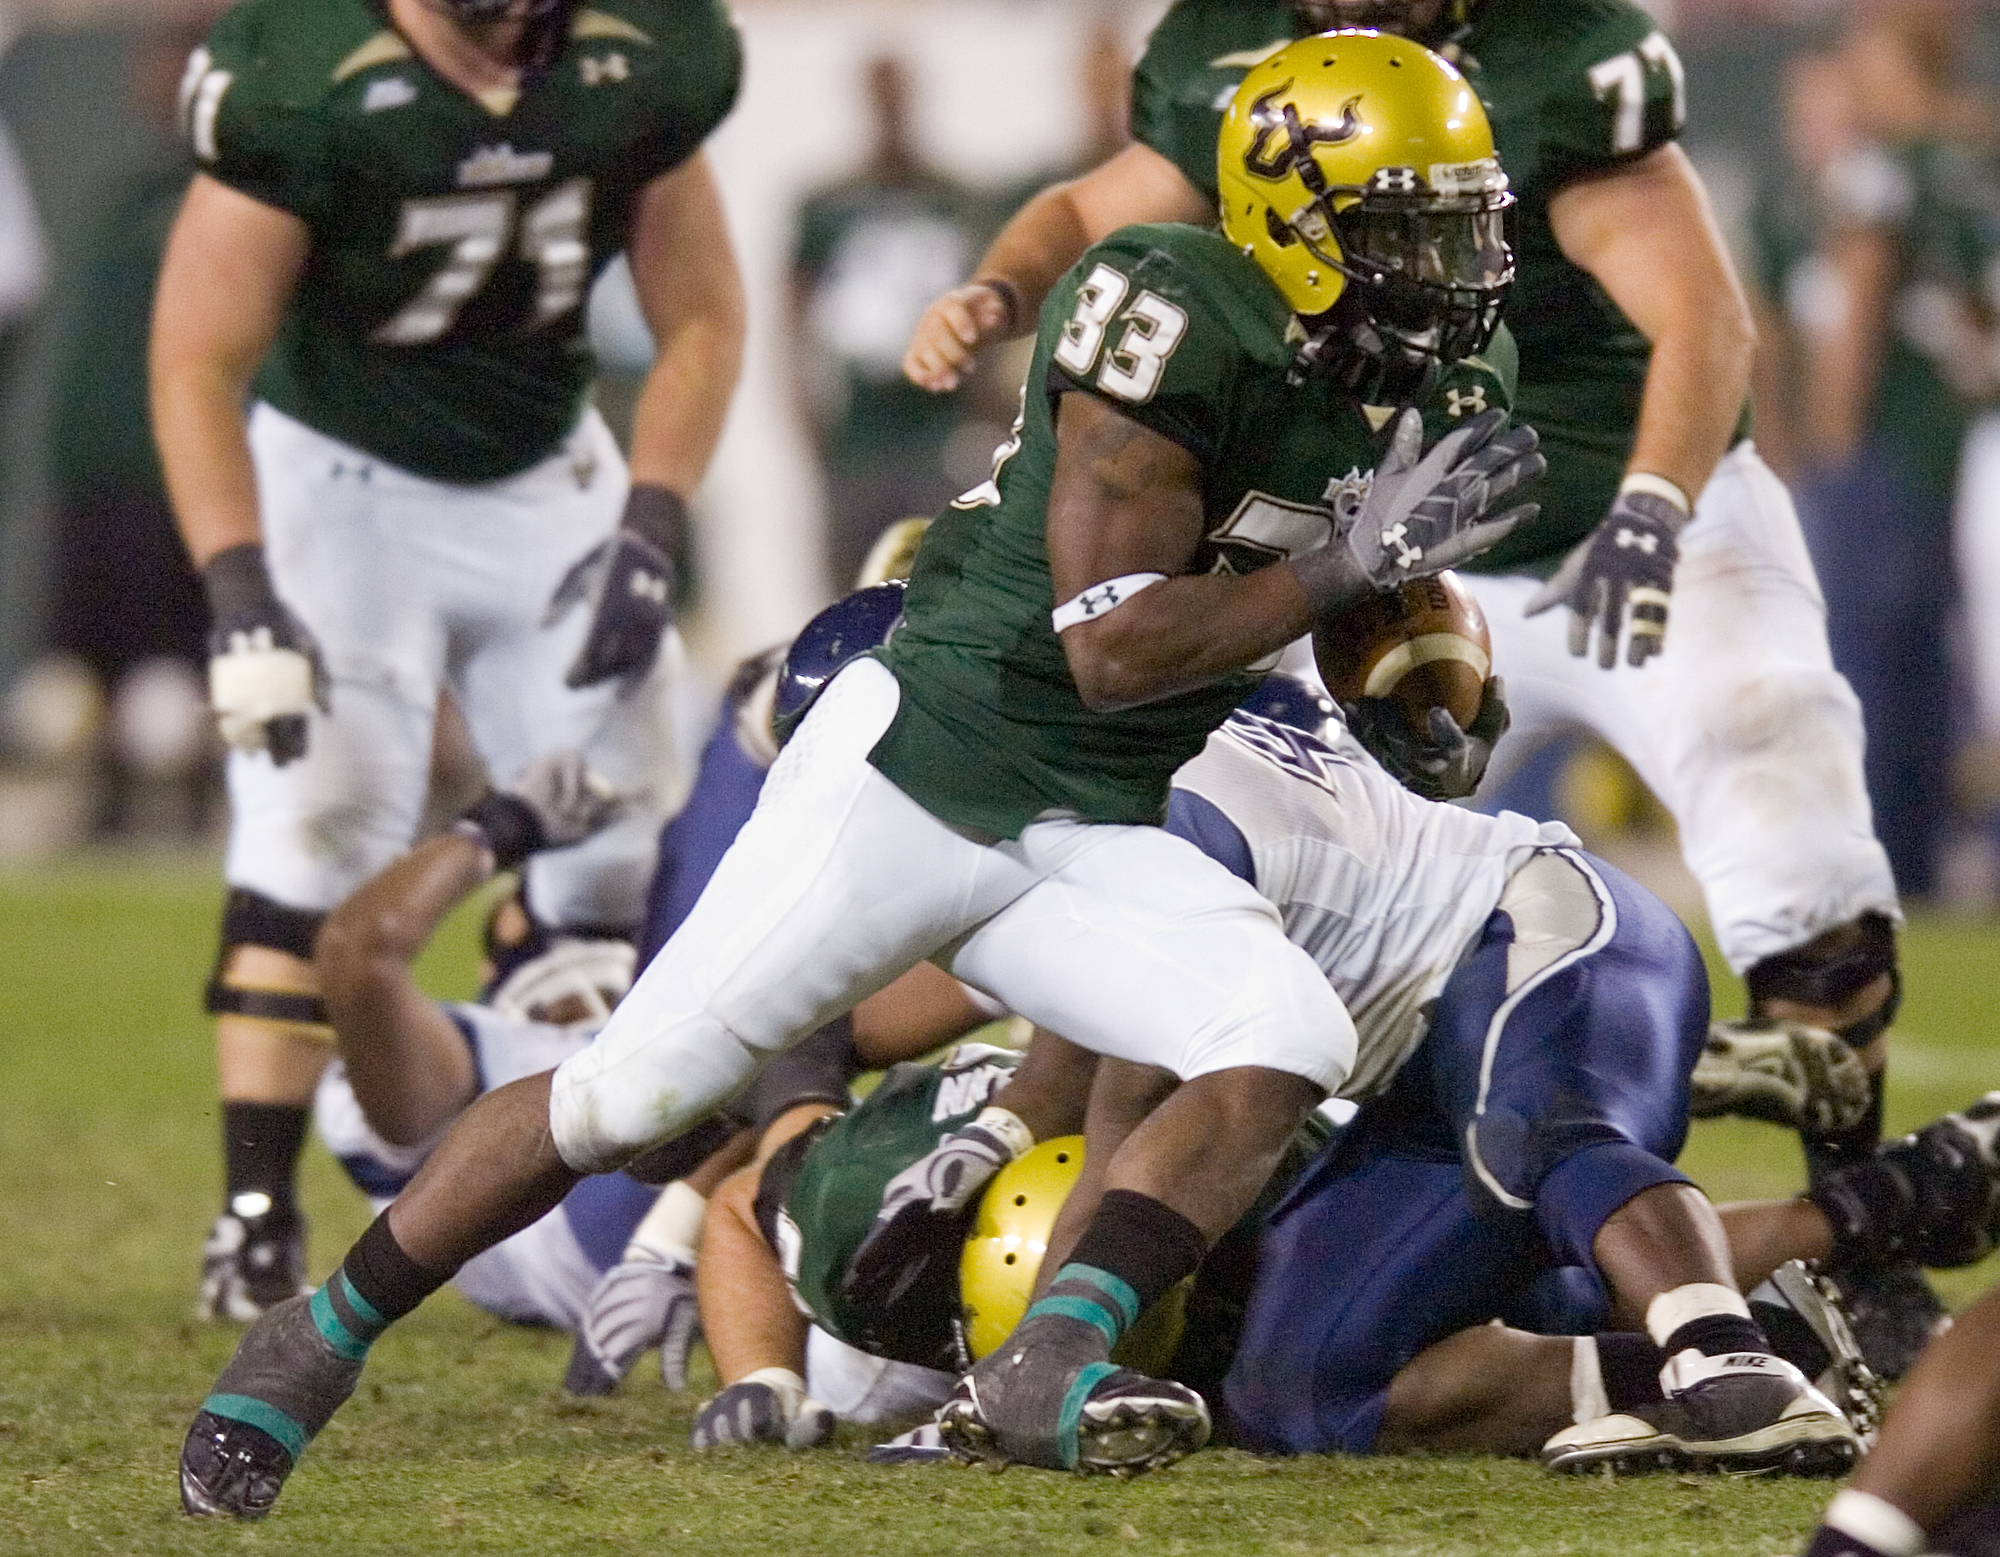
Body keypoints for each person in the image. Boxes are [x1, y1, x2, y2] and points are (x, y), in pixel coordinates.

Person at [177, 33, 1544, 1515]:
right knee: (629, 1099)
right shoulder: (1167, 304)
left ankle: (1047, 1365)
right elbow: (1115, 649)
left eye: (1466, 217)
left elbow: (1334, 580)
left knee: (1279, 1035)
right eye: (1413, 223)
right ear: (1294, 216)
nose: (1457, 262)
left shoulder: (1443, 372)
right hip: (916, 775)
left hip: (1093, 823)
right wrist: (1359, 560)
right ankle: (312, 1335)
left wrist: (1415, 690)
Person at [901, 0, 1912, 1313]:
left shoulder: (1562, 56)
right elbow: (1097, 206)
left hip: (1625, 508)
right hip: (1377, 549)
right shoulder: (1242, 57)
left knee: (1781, 774)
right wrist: (994, 289)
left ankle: (1863, 1233)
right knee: (1218, 851)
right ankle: (1146, 1201)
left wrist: (1655, 511)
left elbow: (1704, 319)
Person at [148, 0, 746, 1322]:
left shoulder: (641, 52)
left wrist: (650, 521)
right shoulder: (300, 74)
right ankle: (253, 1212)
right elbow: (196, 355)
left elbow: (701, 315)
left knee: (620, 838)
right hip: (340, 486)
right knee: (313, 826)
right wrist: (242, 581)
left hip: (547, 474)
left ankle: (582, 1148)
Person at [788, 56, 999, 589]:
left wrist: (988, 412)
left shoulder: (957, 200)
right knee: (851, 591)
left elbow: (991, 305)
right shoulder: (826, 206)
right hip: (858, 432)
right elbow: (793, 318)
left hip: (939, 426)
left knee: (949, 585)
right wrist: (804, 415)